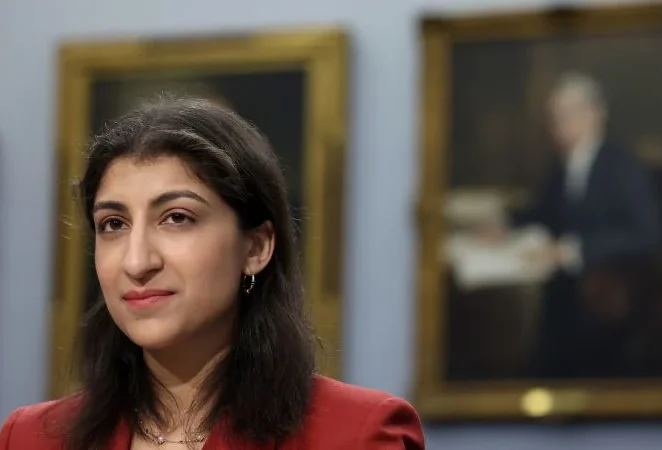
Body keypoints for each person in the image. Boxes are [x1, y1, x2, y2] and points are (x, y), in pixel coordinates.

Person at [0, 96, 425, 449]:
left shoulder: (356, 434)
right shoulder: (30, 438)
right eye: (113, 224)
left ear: (256, 247)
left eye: (177, 218)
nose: (136, 262)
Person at [505, 72, 662, 377]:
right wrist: (505, 224)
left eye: (566, 116)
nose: (557, 127)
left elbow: (648, 234)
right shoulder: (562, 166)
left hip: (608, 301)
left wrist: (571, 251)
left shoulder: (621, 165)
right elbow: (544, 212)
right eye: (554, 118)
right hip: (562, 299)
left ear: (595, 114)